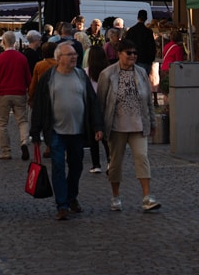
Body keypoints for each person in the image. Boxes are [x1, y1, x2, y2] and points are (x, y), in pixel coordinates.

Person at [29, 41, 105, 220]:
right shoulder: (49, 77)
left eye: (75, 54)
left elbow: (93, 103)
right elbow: (39, 105)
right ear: (59, 58)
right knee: (57, 166)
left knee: (77, 166)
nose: (74, 57)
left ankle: (72, 197)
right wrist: (35, 132)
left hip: (78, 131)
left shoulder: (80, 75)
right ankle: (62, 204)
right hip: (56, 130)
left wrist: (98, 126)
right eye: (70, 55)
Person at [97, 39, 160, 212]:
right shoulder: (108, 74)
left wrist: (153, 122)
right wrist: (99, 127)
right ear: (119, 54)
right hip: (116, 126)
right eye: (129, 53)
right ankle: (115, 196)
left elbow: (148, 102)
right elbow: (101, 102)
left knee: (142, 158)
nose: (133, 56)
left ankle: (147, 197)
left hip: (138, 125)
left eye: (135, 53)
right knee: (115, 163)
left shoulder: (140, 72)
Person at [0, 30, 32, 161]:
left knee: (2, 123)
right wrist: (30, 93)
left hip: (4, 94)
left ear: (4, 42)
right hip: (19, 93)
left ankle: (6, 151)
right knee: (22, 121)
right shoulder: (22, 58)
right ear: (15, 42)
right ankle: (24, 141)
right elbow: (28, 78)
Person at [85, 43, 112, 172]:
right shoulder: (109, 71)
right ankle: (110, 161)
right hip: (106, 105)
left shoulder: (86, 72)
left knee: (92, 137)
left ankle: (96, 164)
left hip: (91, 107)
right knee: (106, 137)